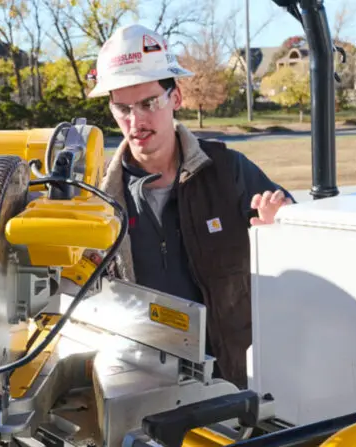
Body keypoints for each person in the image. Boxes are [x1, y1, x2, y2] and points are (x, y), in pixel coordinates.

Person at [86, 24, 294, 390]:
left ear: (176, 98)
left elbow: (296, 231)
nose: (136, 122)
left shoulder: (228, 171)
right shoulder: (98, 196)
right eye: (122, 108)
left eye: (149, 103)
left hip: (231, 382)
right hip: (140, 387)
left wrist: (282, 223)